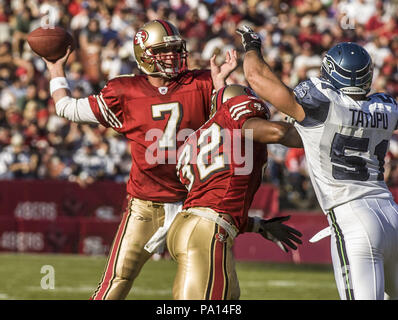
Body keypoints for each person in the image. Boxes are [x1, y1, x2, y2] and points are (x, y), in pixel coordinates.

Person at [42, 19, 238, 300]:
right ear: (143, 54)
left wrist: (221, 87)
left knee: (215, 291)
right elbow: (67, 108)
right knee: (116, 281)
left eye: (174, 49)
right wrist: (55, 68)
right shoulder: (125, 91)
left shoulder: (205, 81)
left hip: (195, 208)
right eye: (163, 50)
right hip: (147, 205)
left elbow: (235, 117)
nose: (172, 56)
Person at [237, 26, 398, 300]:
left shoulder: (322, 102)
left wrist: (251, 44)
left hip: (352, 218)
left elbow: (257, 77)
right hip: (391, 214)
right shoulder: (386, 107)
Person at [167, 84, 303, 300]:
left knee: (228, 297)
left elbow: (216, 198)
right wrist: (323, 137)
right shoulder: (235, 113)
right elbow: (278, 132)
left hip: (189, 225)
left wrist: (258, 225)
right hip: (208, 229)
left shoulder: (197, 139)